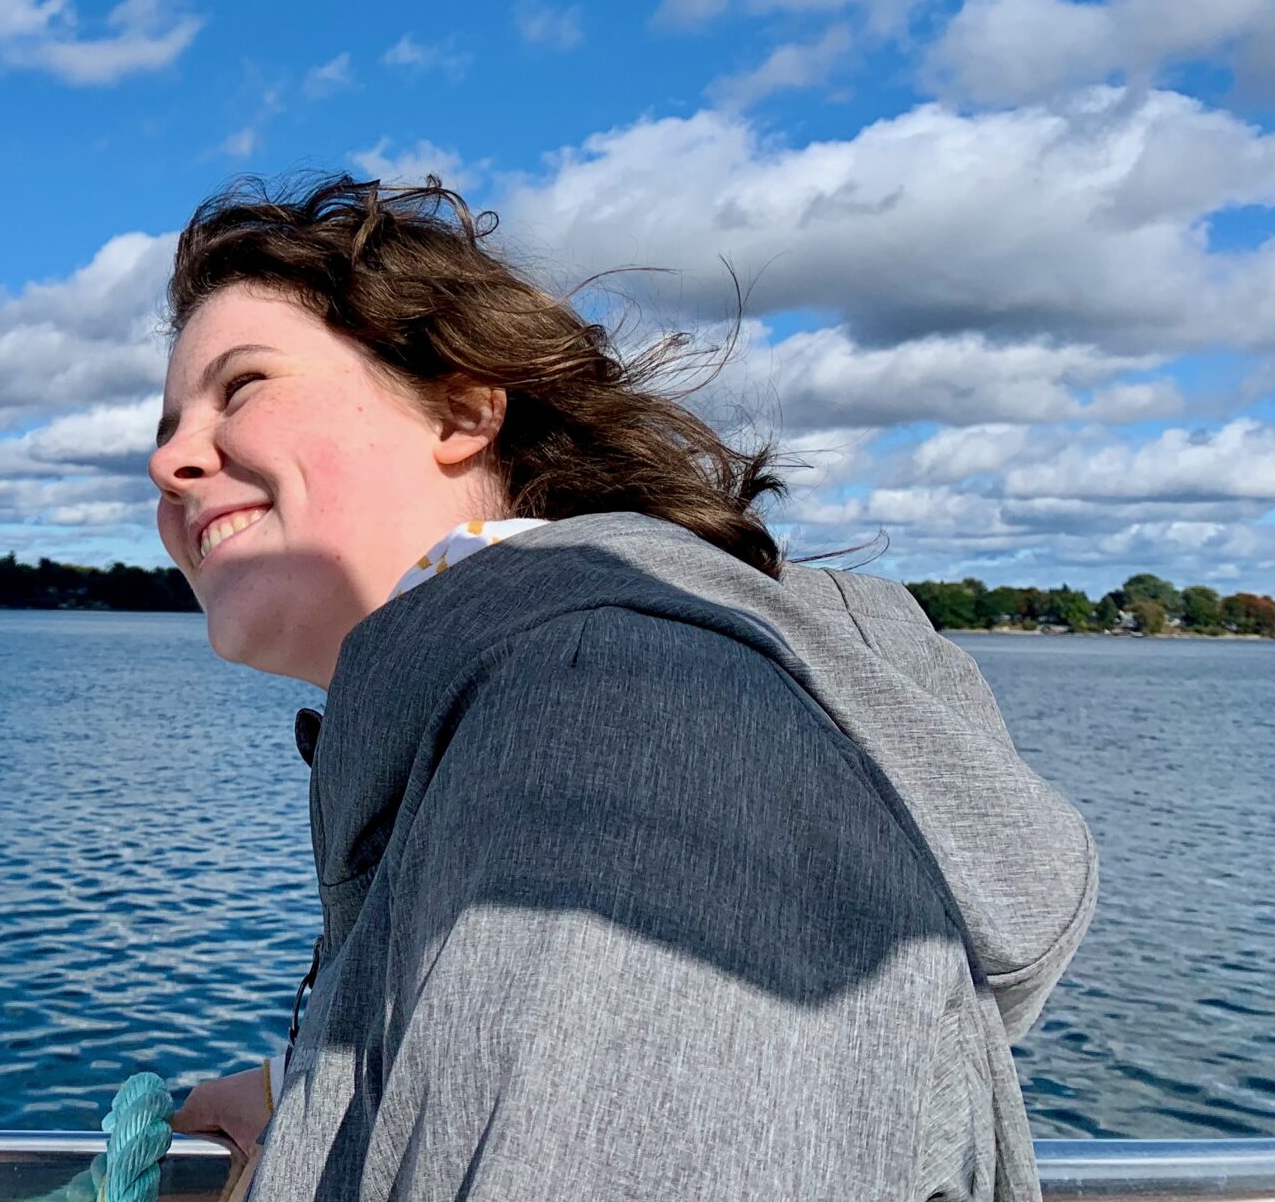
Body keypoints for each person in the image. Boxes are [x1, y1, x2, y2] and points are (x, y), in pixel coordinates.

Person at [152, 175, 1094, 1202]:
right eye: (164, 422)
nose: (168, 459)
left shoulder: (619, 713)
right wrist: (318, 1091)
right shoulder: (549, 702)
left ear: (463, 409)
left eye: (240, 386)